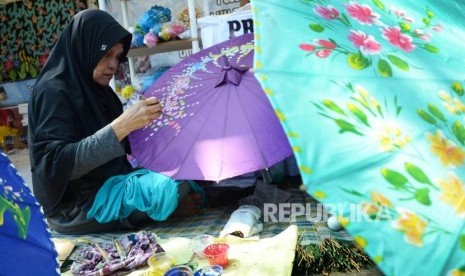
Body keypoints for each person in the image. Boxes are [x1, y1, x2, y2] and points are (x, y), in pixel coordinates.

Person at [28, 9, 202, 235]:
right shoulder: (53, 92)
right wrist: (121, 126)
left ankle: (162, 207)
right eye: (106, 54)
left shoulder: (101, 92)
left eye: (118, 56)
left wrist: (164, 129)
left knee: (188, 169)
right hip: (76, 206)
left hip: (111, 182)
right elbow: (55, 164)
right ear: (86, 48)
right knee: (165, 189)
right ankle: (166, 208)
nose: (113, 64)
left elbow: (126, 148)